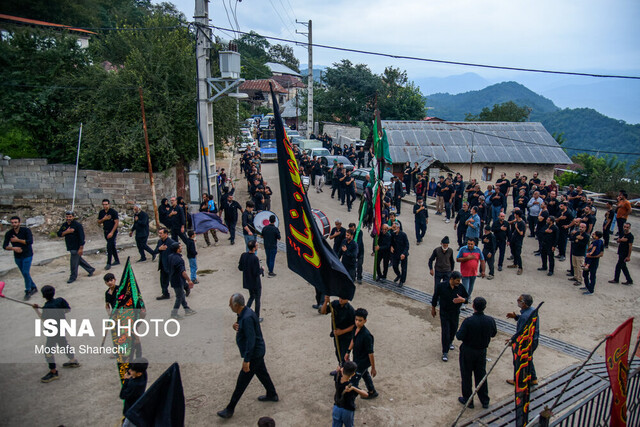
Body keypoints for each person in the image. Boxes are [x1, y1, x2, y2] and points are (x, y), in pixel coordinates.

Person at [217, 293, 278, 419]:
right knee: (262, 373)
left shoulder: (247, 317)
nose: (229, 306)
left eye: (230, 304)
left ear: (237, 305)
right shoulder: (245, 313)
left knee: (242, 382)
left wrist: (247, 360)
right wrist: (236, 326)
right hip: (257, 352)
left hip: (254, 354)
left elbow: (251, 341)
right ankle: (272, 394)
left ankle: (230, 408)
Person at [32, 285, 80, 383]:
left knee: (48, 351)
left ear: (43, 296)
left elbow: (44, 320)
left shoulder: (46, 307)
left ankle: (53, 371)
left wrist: (36, 310)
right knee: (63, 344)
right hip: (62, 328)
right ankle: (73, 360)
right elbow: (68, 309)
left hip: (53, 332)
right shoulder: (60, 300)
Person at [456, 297, 497, 410]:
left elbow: (459, 336)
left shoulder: (468, 321)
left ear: (473, 306)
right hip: (481, 351)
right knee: (481, 375)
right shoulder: (490, 320)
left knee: (466, 375)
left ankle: (468, 400)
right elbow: (493, 334)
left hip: (468, 350)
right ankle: (484, 400)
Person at [431, 271, 469, 362]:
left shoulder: (460, 287)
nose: (458, 282)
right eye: (457, 280)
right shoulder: (441, 286)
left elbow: (467, 299)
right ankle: (445, 351)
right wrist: (433, 308)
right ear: (451, 279)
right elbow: (435, 297)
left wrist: (462, 300)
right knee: (445, 332)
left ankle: (451, 341)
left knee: (453, 329)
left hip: (455, 313)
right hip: (444, 312)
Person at [506, 294, 539, 386]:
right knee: (528, 359)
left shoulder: (525, 317)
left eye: (519, 300)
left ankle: (518, 381)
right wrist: (516, 317)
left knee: (519, 361)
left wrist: (512, 340)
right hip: (534, 340)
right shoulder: (532, 311)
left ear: (524, 304)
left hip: (525, 342)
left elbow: (520, 332)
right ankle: (533, 378)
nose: (517, 301)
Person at [346, 308, 378, 400]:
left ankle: (351, 400)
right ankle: (372, 391)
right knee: (365, 374)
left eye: (360, 320)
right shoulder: (355, 329)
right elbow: (353, 339)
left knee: (354, 381)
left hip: (363, 362)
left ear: (365, 321)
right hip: (357, 358)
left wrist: (373, 367)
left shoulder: (367, 336)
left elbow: (370, 353)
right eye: (356, 320)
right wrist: (348, 352)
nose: (357, 322)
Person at [3, 215, 37, 299]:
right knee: (25, 273)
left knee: (25, 272)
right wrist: (13, 248)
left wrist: (17, 240)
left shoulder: (26, 231)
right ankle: (33, 287)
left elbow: (30, 241)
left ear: (19, 222)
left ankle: (28, 290)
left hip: (27, 254)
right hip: (17, 256)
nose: (14, 224)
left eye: (15, 222)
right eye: (12, 223)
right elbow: (4, 246)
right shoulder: (9, 233)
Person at [57, 211, 95, 284]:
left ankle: (73, 276)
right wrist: (66, 232)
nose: (68, 218)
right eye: (67, 217)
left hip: (76, 246)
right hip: (70, 246)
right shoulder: (65, 225)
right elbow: (59, 234)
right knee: (78, 260)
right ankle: (90, 269)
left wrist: (81, 248)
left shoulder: (77, 225)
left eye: (70, 217)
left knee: (73, 262)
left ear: (73, 217)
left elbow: (82, 237)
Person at [322, 295, 356, 367]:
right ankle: (341, 368)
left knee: (344, 355)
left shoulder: (350, 310)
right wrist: (325, 301)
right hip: (336, 335)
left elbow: (354, 326)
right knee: (338, 353)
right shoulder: (334, 304)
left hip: (346, 337)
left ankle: (345, 371)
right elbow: (323, 311)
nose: (340, 300)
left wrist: (342, 332)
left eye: (343, 298)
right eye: (340, 298)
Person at [332, 361, 368, 427]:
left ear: (343, 369)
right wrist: (354, 388)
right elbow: (366, 394)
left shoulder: (337, 377)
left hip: (336, 408)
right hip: (347, 410)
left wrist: (338, 371)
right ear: (353, 374)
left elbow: (339, 372)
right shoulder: (351, 386)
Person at [168, 242, 196, 318]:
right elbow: (183, 272)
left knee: (181, 294)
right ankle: (174, 313)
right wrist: (189, 280)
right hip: (178, 280)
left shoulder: (170, 256)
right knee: (179, 297)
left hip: (173, 278)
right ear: (177, 249)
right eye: (180, 247)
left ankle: (186, 309)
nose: (181, 247)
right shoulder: (179, 260)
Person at [239, 240, 264, 321]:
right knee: (257, 299)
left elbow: (240, 267)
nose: (257, 247)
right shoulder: (255, 258)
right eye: (256, 245)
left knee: (251, 296)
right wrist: (262, 270)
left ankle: (244, 312)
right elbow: (256, 272)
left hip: (248, 281)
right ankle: (256, 317)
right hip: (255, 282)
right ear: (254, 248)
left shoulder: (243, 255)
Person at [97, 199, 120, 269]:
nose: (105, 206)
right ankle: (117, 260)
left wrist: (112, 232)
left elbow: (116, 223)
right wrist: (104, 219)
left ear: (109, 204)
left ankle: (108, 263)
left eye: (106, 204)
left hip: (112, 231)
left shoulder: (113, 212)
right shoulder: (101, 212)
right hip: (106, 231)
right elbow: (99, 222)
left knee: (109, 247)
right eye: (103, 204)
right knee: (112, 246)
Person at [153, 228, 174, 300]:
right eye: (159, 233)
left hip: (170, 265)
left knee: (174, 279)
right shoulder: (160, 242)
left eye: (161, 233)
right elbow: (155, 252)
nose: (160, 235)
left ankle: (185, 287)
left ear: (166, 234)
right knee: (163, 281)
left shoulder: (171, 242)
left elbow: (177, 251)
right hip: (162, 265)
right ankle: (165, 294)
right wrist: (159, 249)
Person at [582, 231, 604, 295]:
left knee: (592, 275)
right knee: (585, 274)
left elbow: (601, 253)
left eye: (594, 234)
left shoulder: (599, 242)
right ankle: (587, 286)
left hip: (594, 261)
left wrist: (591, 255)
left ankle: (591, 290)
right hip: (589, 259)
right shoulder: (594, 242)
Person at [390, 221, 409, 287]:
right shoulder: (393, 234)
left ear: (398, 227)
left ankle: (402, 281)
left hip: (403, 253)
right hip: (395, 253)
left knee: (404, 268)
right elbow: (391, 242)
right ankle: (398, 274)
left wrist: (404, 253)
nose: (393, 228)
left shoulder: (403, 235)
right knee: (394, 265)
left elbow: (407, 245)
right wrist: (391, 246)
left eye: (394, 227)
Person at [507, 210, 526, 275]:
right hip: (514, 239)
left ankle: (520, 267)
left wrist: (516, 228)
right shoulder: (517, 221)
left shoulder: (522, 223)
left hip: (518, 240)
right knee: (513, 252)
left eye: (515, 214)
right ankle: (515, 263)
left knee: (518, 254)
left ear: (517, 215)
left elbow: (521, 233)